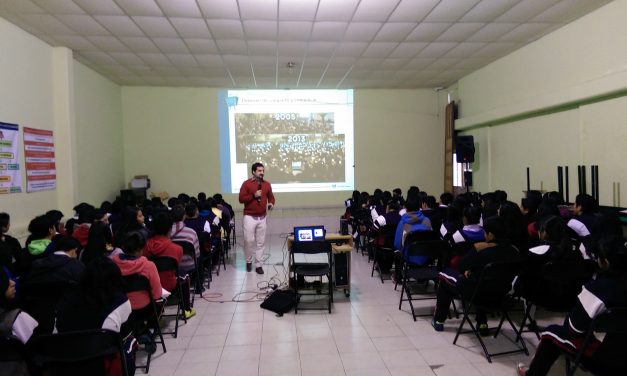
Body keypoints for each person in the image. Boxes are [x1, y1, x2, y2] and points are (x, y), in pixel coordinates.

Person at [517, 238, 627, 375]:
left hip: (604, 359)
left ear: (605, 262)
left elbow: (574, 329)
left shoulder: (598, 289)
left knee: (551, 333)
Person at [238, 162, 275, 274]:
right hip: (249, 217)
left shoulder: (267, 184)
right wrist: (253, 196)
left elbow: (271, 198)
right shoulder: (246, 184)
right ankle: (249, 261)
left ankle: (259, 265)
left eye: (263, 171)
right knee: (248, 241)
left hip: (262, 217)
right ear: (253, 172)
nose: (262, 173)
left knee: (261, 242)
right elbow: (241, 199)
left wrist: (271, 204)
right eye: (259, 171)